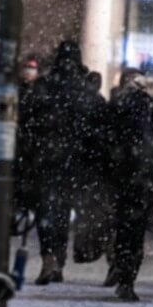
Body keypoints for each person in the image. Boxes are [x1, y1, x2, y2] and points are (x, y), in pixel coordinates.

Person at [20, 40, 100, 284]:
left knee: (46, 211)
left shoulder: (44, 85)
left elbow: (26, 120)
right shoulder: (84, 89)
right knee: (63, 213)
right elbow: (95, 126)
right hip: (73, 161)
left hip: (46, 159)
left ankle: (49, 258)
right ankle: (58, 257)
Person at [100, 69, 153, 301]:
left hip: (123, 176)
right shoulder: (152, 108)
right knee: (136, 229)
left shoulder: (117, 107)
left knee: (122, 226)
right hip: (144, 177)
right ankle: (129, 276)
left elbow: (105, 141)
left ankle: (120, 266)